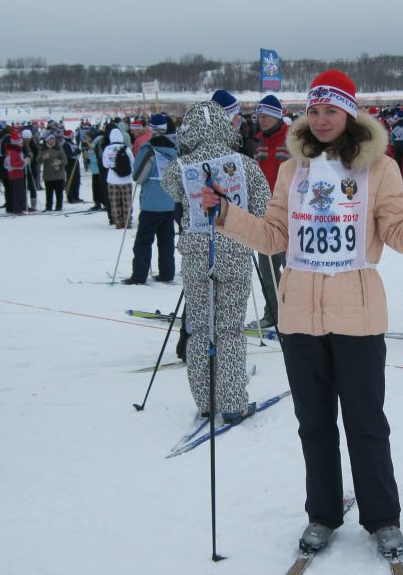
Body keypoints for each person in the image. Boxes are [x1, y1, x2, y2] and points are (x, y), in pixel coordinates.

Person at [197, 69, 403, 559]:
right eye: (313, 110)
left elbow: (400, 236)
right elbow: (275, 235)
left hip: (358, 315)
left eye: (330, 110)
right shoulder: (292, 170)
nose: (320, 119)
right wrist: (226, 215)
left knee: (365, 422)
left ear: (349, 113)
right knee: (313, 423)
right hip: (298, 316)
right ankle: (322, 512)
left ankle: (382, 517)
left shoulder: (378, 168)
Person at [160, 100, 270, 422]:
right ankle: (233, 402)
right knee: (230, 330)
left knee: (201, 329)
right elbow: (263, 206)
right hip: (234, 250)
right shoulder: (245, 164)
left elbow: (170, 188)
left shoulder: (181, 166)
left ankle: (206, 399)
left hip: (196, 254)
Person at [251, 95, 290, 328]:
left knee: (293, 269)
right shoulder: (258, 141)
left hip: (289, 215)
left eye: (265, 116)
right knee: (267, 270)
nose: (261, 120)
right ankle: (272, 314)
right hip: (264, 214)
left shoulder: (291, 139)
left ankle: (297, 312)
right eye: (259, 116)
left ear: (276, 116)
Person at [124, 114, 178, 285]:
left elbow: (138, 175)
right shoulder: (174, 148)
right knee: (166, 240)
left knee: (143, 241)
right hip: (169, 201)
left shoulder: (148, 148)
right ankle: (167, 273)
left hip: (151, 202)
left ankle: (139, 276)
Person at [101, 127, 134, 229]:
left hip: (112, 180)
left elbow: (105, 165)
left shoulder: (107, 149)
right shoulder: (126, 148)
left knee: (114, 202)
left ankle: (118, 222)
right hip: (126, 179)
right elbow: (132, 162)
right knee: (127, 201)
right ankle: (127, 221)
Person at [39, 133, 67, 211]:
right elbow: (37, 160)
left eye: (53, 139)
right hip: (48, 175)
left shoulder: (59, 148)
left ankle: (59, 206)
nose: (52, 141)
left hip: (59, 174)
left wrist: (59, 162)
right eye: (50, 139)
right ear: (47, 141)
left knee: (59, 193)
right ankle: (48, 207)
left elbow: (65, 160)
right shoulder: (43, 149)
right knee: (49, 193)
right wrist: (42, 158)